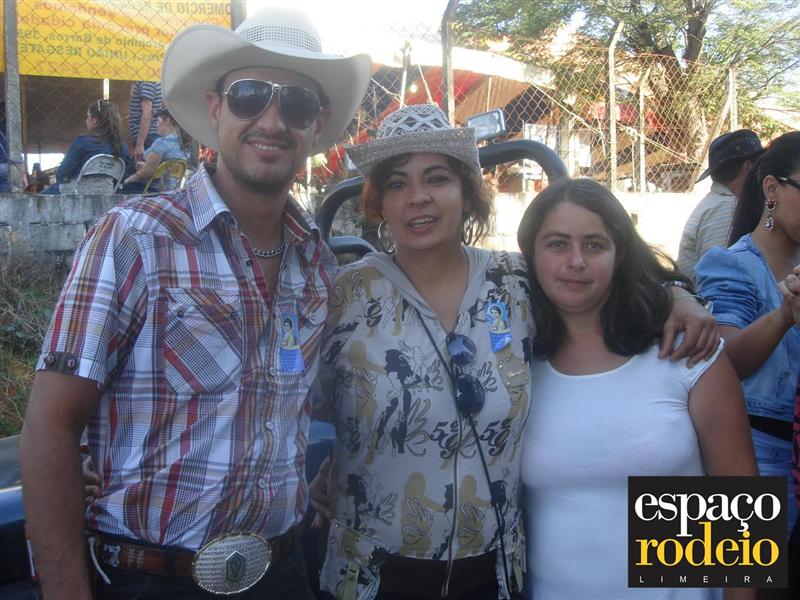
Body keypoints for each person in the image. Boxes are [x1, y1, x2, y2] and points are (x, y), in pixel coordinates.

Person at [20, 6, 371, 600]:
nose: (271, 120)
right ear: (215, 108)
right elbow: (50, 425)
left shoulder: (318, 265)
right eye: (249, 96)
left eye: (296, 104)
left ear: (316, 124)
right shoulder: (134, 237)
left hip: (281, 573)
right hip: (148, 579)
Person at [308, 104, 719, 600]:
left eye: (437, 178)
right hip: (369, 576)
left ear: (467, 192)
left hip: (497, 574)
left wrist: (678, 297)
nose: (418, 196)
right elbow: (299, 405)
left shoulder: (517, 281)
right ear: (379, 203)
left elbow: (602, 279)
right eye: (397, 183)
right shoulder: (341, 296)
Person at [517, 177, 757, 600]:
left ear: (620, 253)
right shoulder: (517, 363)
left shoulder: (684, 352)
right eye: (557, 244)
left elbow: (741, 513)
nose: (576, 261)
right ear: (531, 254)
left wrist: (677, 294)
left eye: (594, 245)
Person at [696, 131, 800, 539]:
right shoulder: (730, 264)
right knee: (743, 573)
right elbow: (726, 360)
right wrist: (785, 315)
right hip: (756, 461)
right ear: (771, 189)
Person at [678, 129, 763, 282]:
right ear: (747, 167)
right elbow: (718, 274)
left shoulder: (719, 202)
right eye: (760, 165)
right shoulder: (725, 208)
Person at [41, 99, 132, 194]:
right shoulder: (122, 147)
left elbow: (62, 173)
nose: (86, 120)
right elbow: (124, 174)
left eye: (88, 117)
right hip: (106, 191)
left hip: (76, 191)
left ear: (95, 119)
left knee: (43, 195)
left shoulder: (83, 141)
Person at [122, 107, 192, 192]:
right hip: (171, 190)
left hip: (150, 190)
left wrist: (127, 180)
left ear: (167, 121)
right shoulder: (185, 144)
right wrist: (146, 165)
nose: (156, 125)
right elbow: (164, 168)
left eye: (158, 121)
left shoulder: (162, 143)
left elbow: (147, 173)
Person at [128, 80, 164, 162]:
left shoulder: (146, 81)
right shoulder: (148, 80)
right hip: (148, 135)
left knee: (144, 167)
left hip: (148, 136)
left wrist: (140, 144)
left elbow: (147, 113)